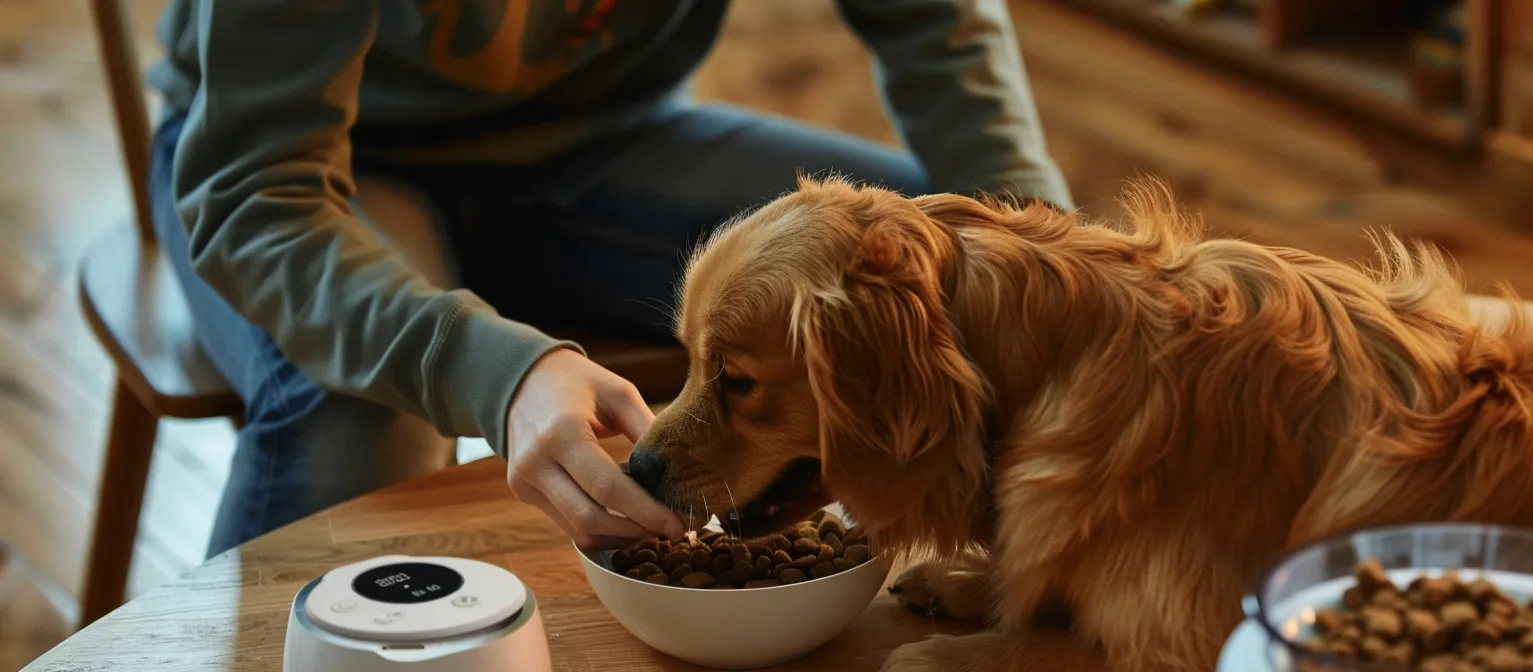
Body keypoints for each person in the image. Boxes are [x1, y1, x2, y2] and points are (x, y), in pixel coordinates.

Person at [146, 0, 1072, 557]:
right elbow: (256, 195)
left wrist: (1055, 272)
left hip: (609, 138)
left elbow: (942, 37)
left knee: (951, 277)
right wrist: (498, 377)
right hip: (315, 168)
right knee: (350, 410)